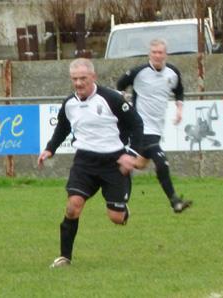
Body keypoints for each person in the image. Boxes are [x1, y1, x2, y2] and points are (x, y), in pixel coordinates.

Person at [38, 58, 145, 268]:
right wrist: (50, 149)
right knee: (72, 207)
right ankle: (64, 257)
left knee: (116, 218)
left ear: (93, 77)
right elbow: (62, 127)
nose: (78, 83)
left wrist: (130, 155)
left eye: (83, 78)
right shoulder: (69, 103)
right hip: (84, 162)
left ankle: (122, 210)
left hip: (114, 162)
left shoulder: (112, 99)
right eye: (75, 79)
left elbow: (137, 124)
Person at [116, 38, 192, 213]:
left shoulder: (172, 73)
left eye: (161, 53)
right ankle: (175, 202)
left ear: (166, 54)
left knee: (140, 164)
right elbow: (120, 85)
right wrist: (123, 102)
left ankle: (115, 162)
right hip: (140, 126)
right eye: (154, 52)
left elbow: (179, 91)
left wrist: (179, 109)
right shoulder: (138, 72)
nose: (157, 56)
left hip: (157, 127)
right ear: (149, 54)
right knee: (161, 161)